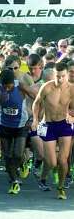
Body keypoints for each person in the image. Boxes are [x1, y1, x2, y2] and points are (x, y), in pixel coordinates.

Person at [32, 62, 74, 200]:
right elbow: (36, 103)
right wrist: (35, 120)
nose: (60, 79)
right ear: (53, 75)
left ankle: (61, 187)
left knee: (63, 159)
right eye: (57, 76)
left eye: (63, 76)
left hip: (64, 125)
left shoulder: (71, 89)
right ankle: (43, 178)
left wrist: (72, 116)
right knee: (51, 162)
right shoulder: (47, 87)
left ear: (67, 75)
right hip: (48, 124)